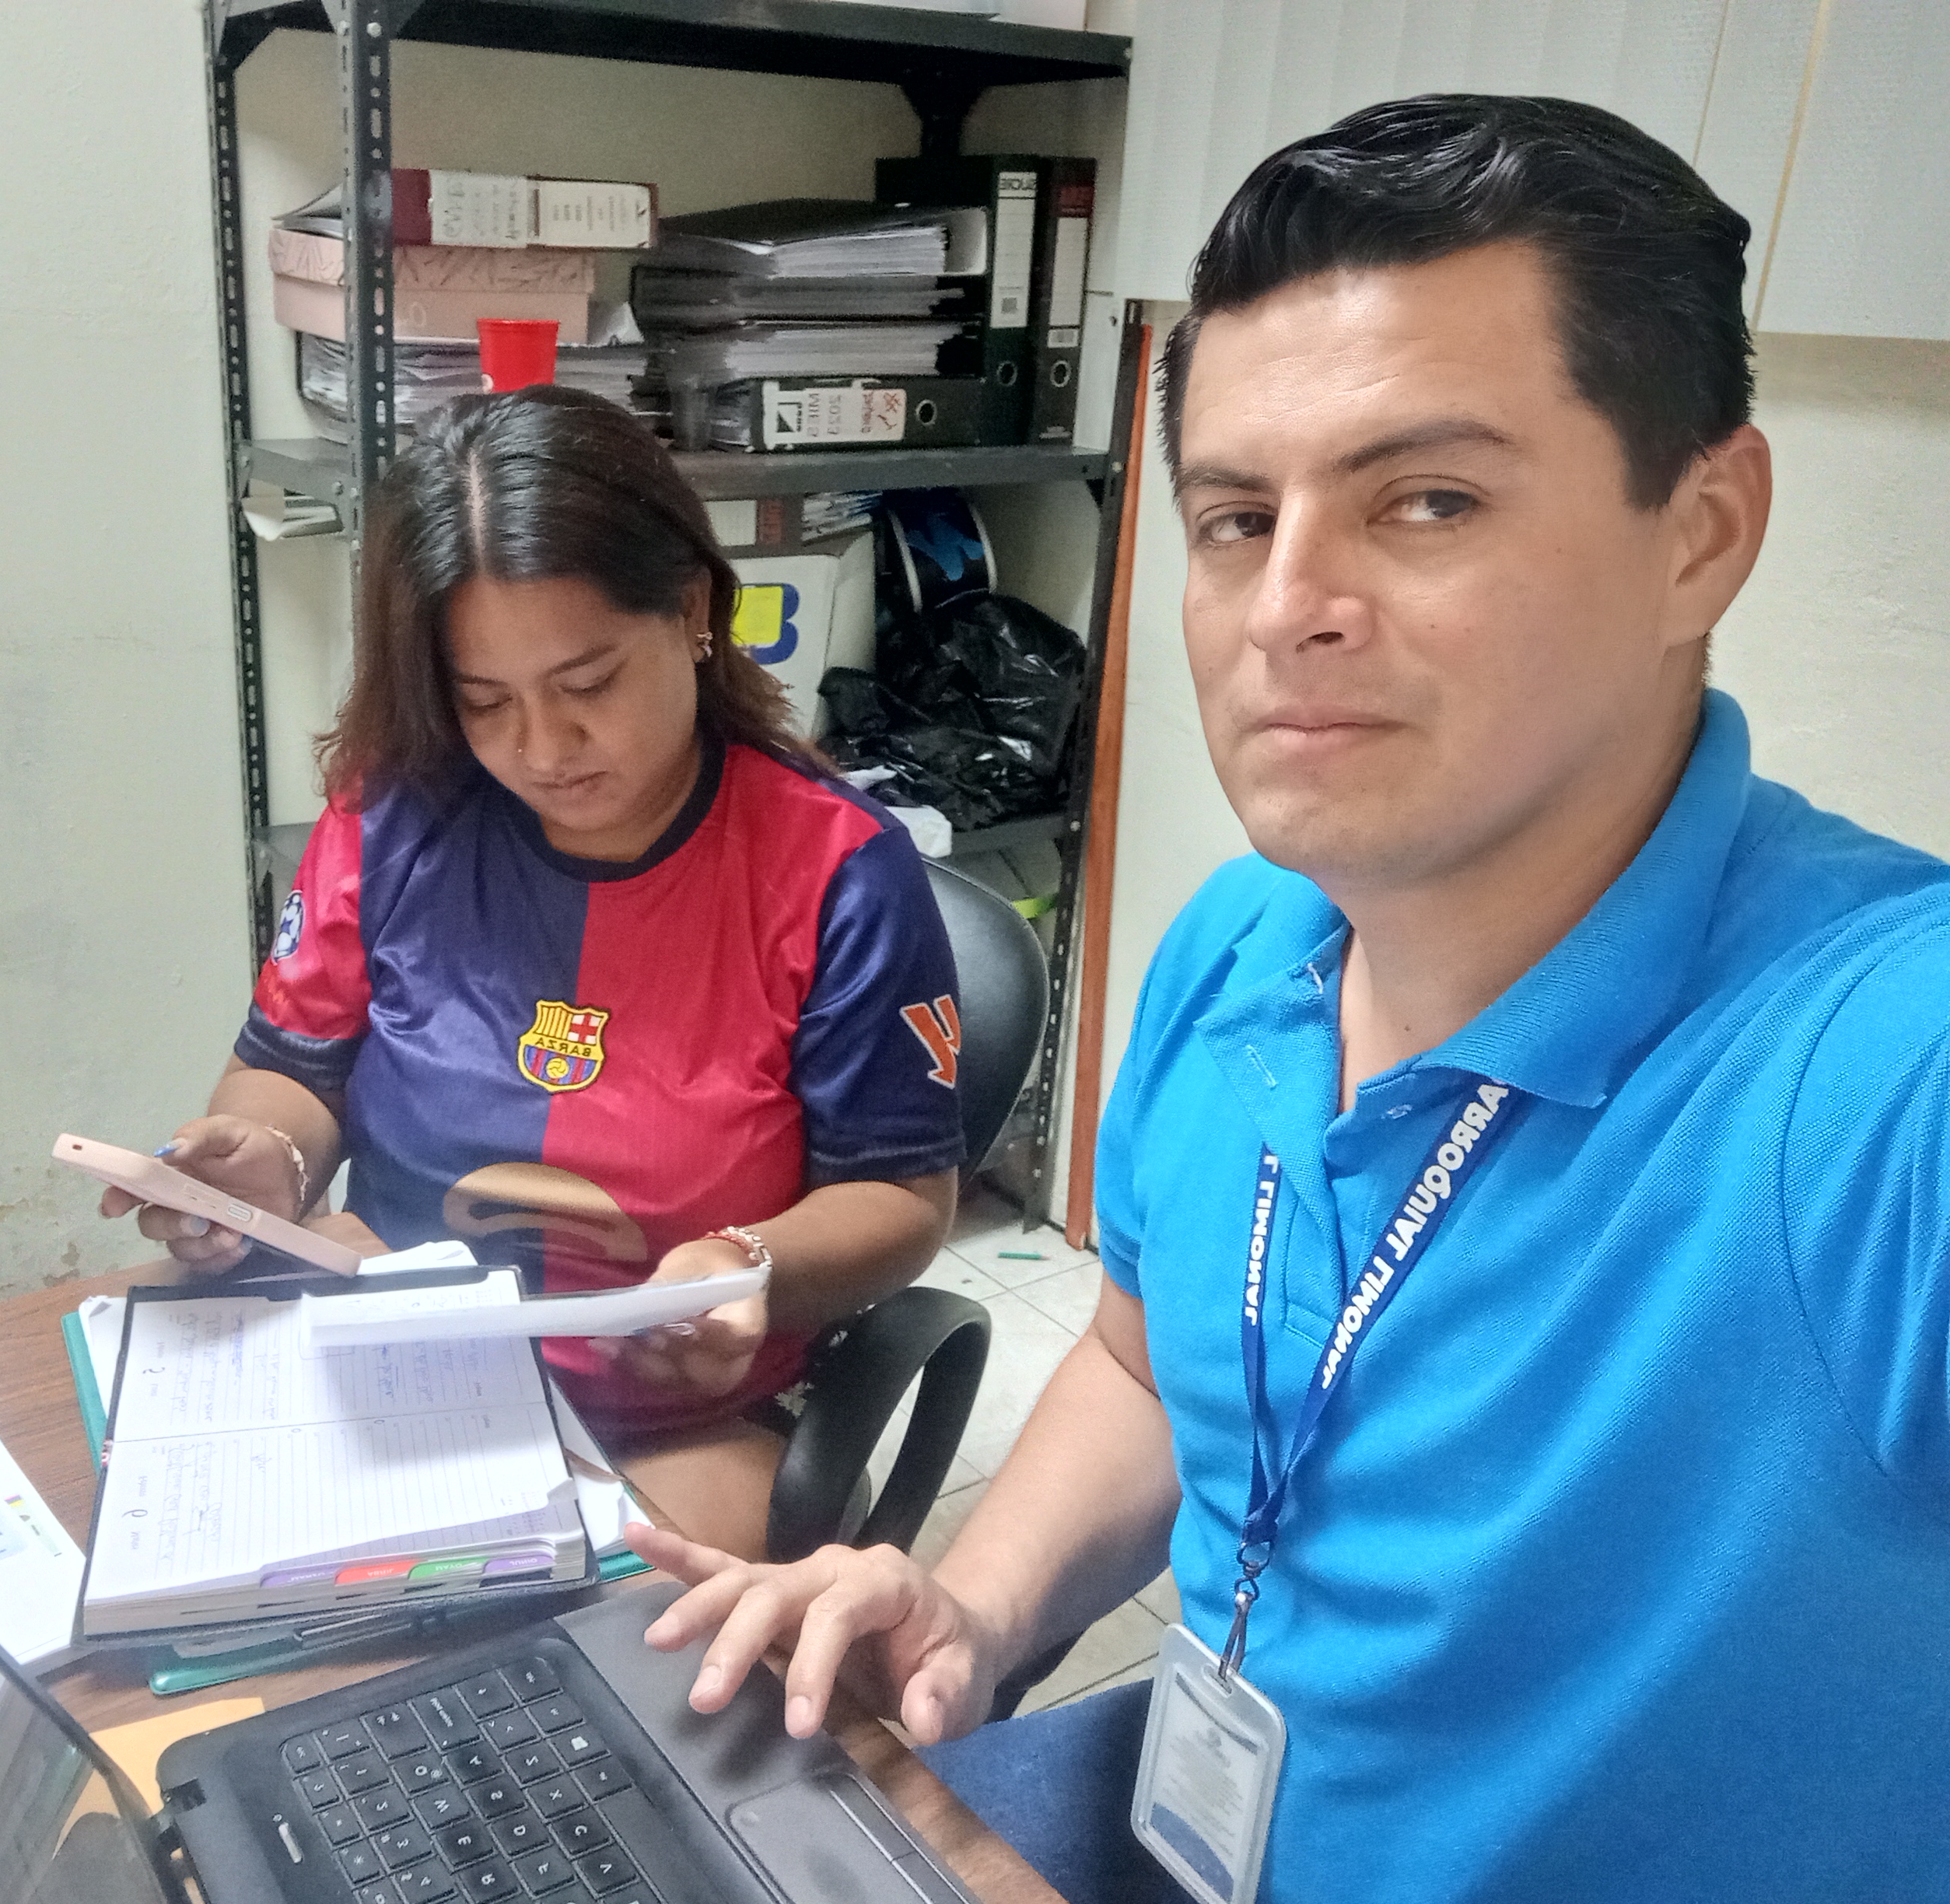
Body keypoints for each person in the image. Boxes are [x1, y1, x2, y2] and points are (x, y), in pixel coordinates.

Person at [628, 93, 1950, 1903]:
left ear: (1702, 532)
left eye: (1429, 500)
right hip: (1188, 1824)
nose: (1288, 606)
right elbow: (1145, 1365)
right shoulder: (1247, 942)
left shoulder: (1884, 1072)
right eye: (1239, 518)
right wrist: (976, 1606)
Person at [107, 387, 965, 1559]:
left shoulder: (838, 873)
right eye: (485, 703)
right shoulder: (395, 816)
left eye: (589, 683)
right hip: (392, 1360)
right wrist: (270, 1159)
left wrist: (749, 1264)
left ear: (694, 610)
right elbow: (288, 1068)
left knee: (562, 1649)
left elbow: (903, 1199)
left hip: (669, 1413)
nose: (544, 750)